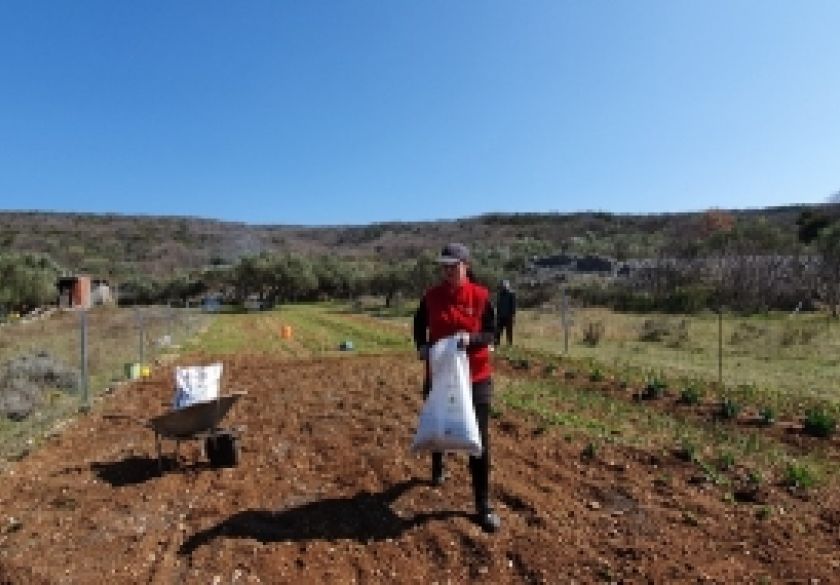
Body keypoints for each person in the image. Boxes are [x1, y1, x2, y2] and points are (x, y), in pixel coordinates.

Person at [413, 242, 501, 533]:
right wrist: (422, 346)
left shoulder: (481, 296)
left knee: (479, 437)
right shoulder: (431, 297)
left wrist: (470, 339)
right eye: (444, 266)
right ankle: (438, 464)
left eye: (454, 266)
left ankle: (482, 505)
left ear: (466, 266)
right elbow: (419, 325)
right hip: (440, 374)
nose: (448, 271)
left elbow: (491, 333)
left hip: (476, 377)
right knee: (439, 421)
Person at [495, 279, 516, 346]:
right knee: (498, 331)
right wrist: (497, 314)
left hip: (508, 316)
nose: (503, 287)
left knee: (509, 331)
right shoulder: (500, 294)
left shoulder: (511, 294)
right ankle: (496, 343)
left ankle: (509, 344)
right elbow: (498, 304)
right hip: (501, 316)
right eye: (502, 286)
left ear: (507, 286)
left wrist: (513, 315)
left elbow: (513, 305)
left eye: (504, 286)